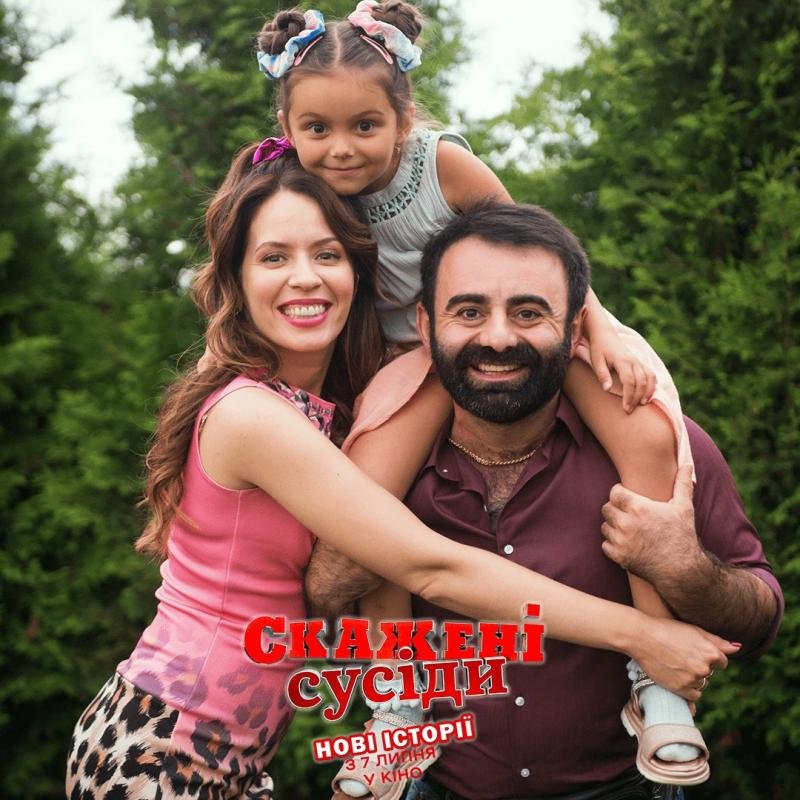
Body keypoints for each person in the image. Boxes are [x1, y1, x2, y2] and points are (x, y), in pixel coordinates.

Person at [64, 147, 735, 800]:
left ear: (360, 273)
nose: (305, 277)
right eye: (274, 257)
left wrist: (594, 324)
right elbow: (430, 567)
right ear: (236, 280)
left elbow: (517, 282)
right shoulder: (250, 416)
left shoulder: (329, 407)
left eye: (327, 254)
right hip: (164, 748)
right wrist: (643, 636)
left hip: (232, 751)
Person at [255, 1, 713, 786]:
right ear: (288, 126)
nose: (341, 148)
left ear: (403, 118)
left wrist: (597, 325)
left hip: (502, 328)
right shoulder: (296, 187)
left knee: (640, 428)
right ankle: (396, 703)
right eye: (317, 129)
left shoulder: (442, 166)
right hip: (407, 358)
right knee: (374, 509)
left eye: (365, 125)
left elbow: (540, 246)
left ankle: (657, 681)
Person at [306, 201, 783, 800]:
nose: (498, 337)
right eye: (469, 311)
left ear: (577, 329)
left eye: (528, 312)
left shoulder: (660, 446)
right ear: (425, 326)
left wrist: (685, 569)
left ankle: (654, 698)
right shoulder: (366, 460)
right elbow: (307, 608)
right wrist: (354, 549)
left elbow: (760, 621)